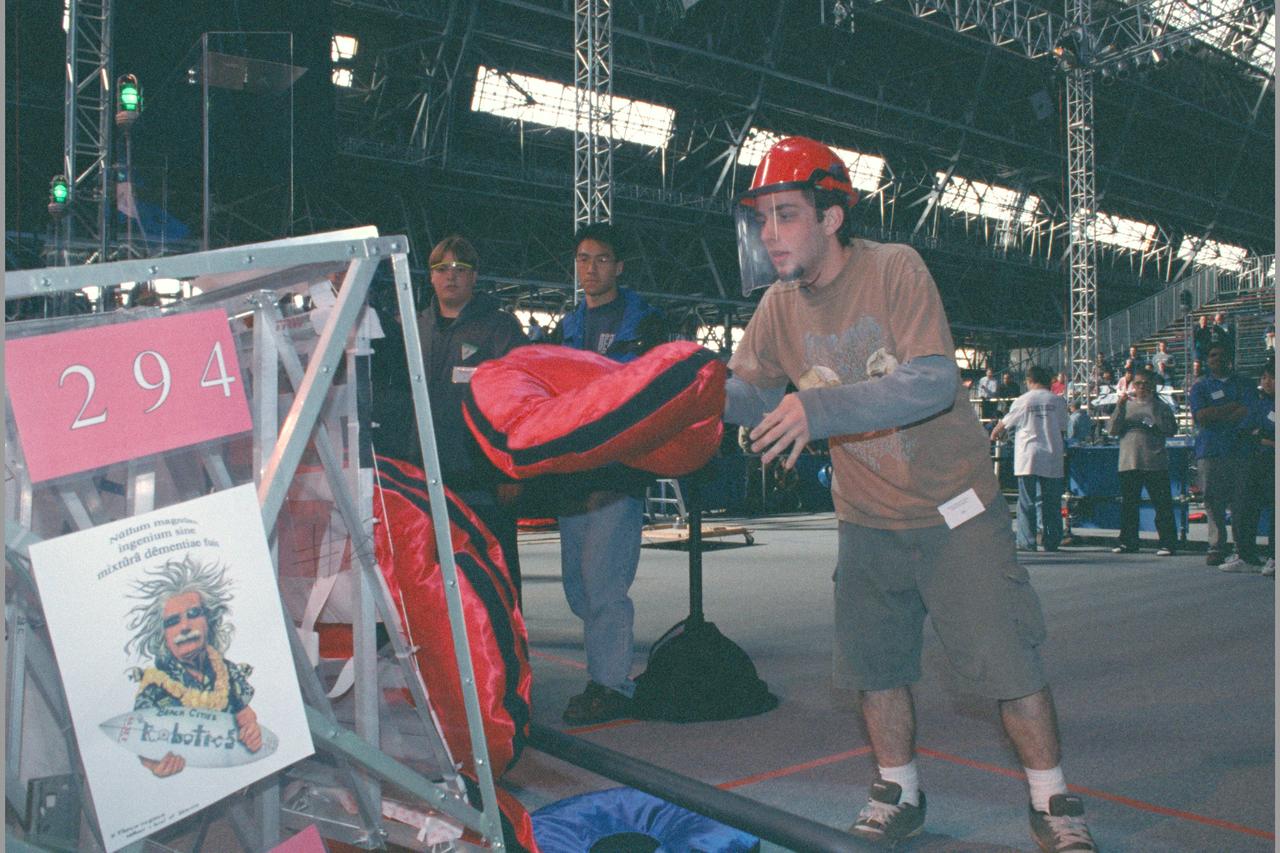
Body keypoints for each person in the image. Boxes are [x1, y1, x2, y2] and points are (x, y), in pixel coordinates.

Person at [723, 136, 1096, 851]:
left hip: (955, 511)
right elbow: (750, 393)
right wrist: (687, 387)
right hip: (865, 519)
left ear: (832, 216)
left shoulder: (895, 268)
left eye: (787, 214)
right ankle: (899, 790)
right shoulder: (776, 306)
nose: (771, 234)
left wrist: (817, 410)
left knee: (1005, 663)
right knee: (875, 667)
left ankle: (1053, 803)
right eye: (762, 218)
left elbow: (931, 381)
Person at [551, 222, 665, 725]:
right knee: (578, 587)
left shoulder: (645, 325)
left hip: (619, 474)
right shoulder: (565, 329)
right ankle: (608, 670)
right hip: (574, 476)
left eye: (600, 259)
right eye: (581, 259)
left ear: (619, 267)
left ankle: (611, 684)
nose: (589, 268)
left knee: (604, 584)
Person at [376, 235, 529, 595]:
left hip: (482, 482)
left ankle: (504, 651)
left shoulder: (500, 328)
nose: (451, 276)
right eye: (442, 268)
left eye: (460, 269)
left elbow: (520, 400)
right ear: (429, 276)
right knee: (431, 585)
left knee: (494, 583)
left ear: (474, 277)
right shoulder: (413, 329)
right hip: (422, 479)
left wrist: (512, 468)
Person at [125, 556, 262, 777]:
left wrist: (252, 730)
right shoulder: (154, 687)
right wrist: (155, 766)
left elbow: (245, 713)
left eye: (193, 614)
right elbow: (142, 743)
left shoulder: (227, 671)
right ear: (163, 636)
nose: (186, 626)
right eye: (173, 622)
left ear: (209, 620)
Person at [1189, 343, 1255, 568]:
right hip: (1210, 451)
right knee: (1212, 499)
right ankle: (1216, 545)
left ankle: (1242, 548)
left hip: (1239, 450)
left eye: (1220, 355)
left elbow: (1249, 411)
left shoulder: (1245, 384)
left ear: (1229, 358)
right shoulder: (1200, 387)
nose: (1215, 359)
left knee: (1241, 501)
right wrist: (1232, 408)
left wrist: (1217, 413)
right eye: (1211, 355)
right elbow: (1202, 416)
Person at [990, 366, 1069, 553]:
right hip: (1051, 454)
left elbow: (1003, 426)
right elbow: (1063, 427)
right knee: (1052, 501)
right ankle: (1052, 540)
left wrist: (996, 434)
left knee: (1027, 502)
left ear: (1029, 380)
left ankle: (1027, 541)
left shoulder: (1023, 400)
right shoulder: (1058, 401)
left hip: (1028, 455)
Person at [1107, 369, 1179, 555]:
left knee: (1162, 504)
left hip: (1154, 461)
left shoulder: (1161, 407)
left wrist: (1155, 415)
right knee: (1129, 505)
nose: (1142, 387)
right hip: (1129, 461)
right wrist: (1119, 407)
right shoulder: (1126, 406)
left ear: (1153, 385)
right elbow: (1112, 430)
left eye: (1146, 383)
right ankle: (1128, 542)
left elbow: (1170, 429)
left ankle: (1167, 543)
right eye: (1138, 383)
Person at [1225, 355, 1275, 574]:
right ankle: (1247, 556)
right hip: (1256, 461)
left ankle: (1275, 556)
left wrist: (1262, 436)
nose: (1266, 382)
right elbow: (1245, 434)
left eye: (1272, 378)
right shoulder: (1259, 404)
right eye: (1264, 377)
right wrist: (1264, 437)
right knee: (1245, 506)